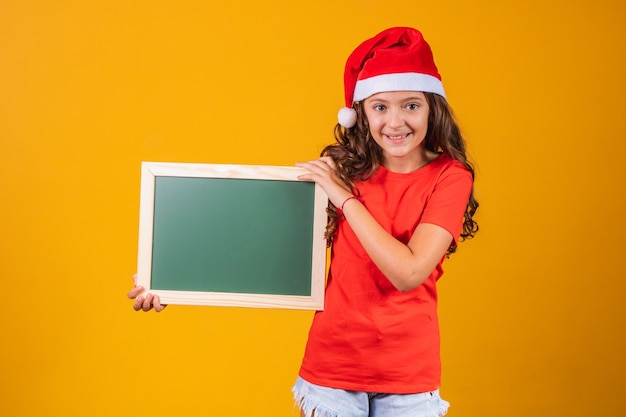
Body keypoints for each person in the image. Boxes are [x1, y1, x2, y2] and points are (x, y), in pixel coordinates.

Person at [291, 27, 478, 417]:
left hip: (407, 375)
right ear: (361, 114)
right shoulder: (342, 169)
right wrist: (168, 279)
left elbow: (408, 272)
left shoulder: (450, 177)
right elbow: (269, 249)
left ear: (432, 109)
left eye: (411, 105)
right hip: (332, 371)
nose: (395, 122)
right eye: (380, 107)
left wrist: (344, 198)